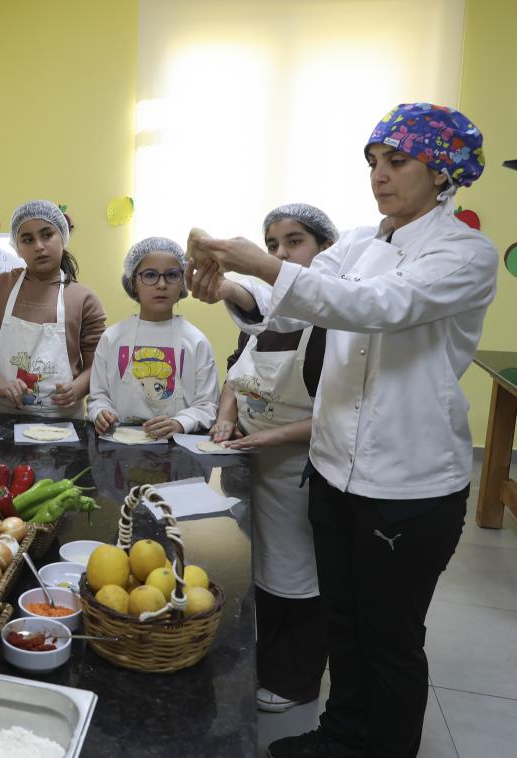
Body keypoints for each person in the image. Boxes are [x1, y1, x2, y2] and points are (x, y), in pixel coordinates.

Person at [188, 103, 496, 758]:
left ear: (441, 170)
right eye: (372, 163)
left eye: (397, 161)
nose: (379, 176)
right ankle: (340, 738)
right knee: (345, 624)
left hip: (408, 488)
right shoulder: (358, 242)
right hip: (333, 470)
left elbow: (379, 306)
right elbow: (293, 300)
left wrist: (263, 265)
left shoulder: (465, 253)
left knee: (389, 641)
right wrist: (235, 289)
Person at [207, 204, 337, 714]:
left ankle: (297, 680)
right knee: (261, 571)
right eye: (273, 245)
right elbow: (237, 377)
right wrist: (224, 416)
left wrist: (271, 437)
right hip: (252, 463)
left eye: (295, 242)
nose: (282, 254)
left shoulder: (330, 324)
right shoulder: (262, 319)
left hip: (297, 468)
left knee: (300, 577)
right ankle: (266, 661)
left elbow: (337, 413)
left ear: (325, 250)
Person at [0, 200, 106, 416]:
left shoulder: (84, 299)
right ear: (18, 247)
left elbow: (96, 365)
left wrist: (77, 389)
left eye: (47, 235)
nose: (39, 246)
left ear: (63, 237)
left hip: (62, 421)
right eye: (28, 239)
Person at [90, 237, 218, 439]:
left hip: (178, 448)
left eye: (172, 275)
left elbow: (207, 405)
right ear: (133, 282)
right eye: (150, 275)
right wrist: (101, 412)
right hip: (120, 443)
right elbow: (98, 396)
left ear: (183, 281)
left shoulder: (196, 342)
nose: (161, 284)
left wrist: (179, 423)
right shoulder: (112, 338)